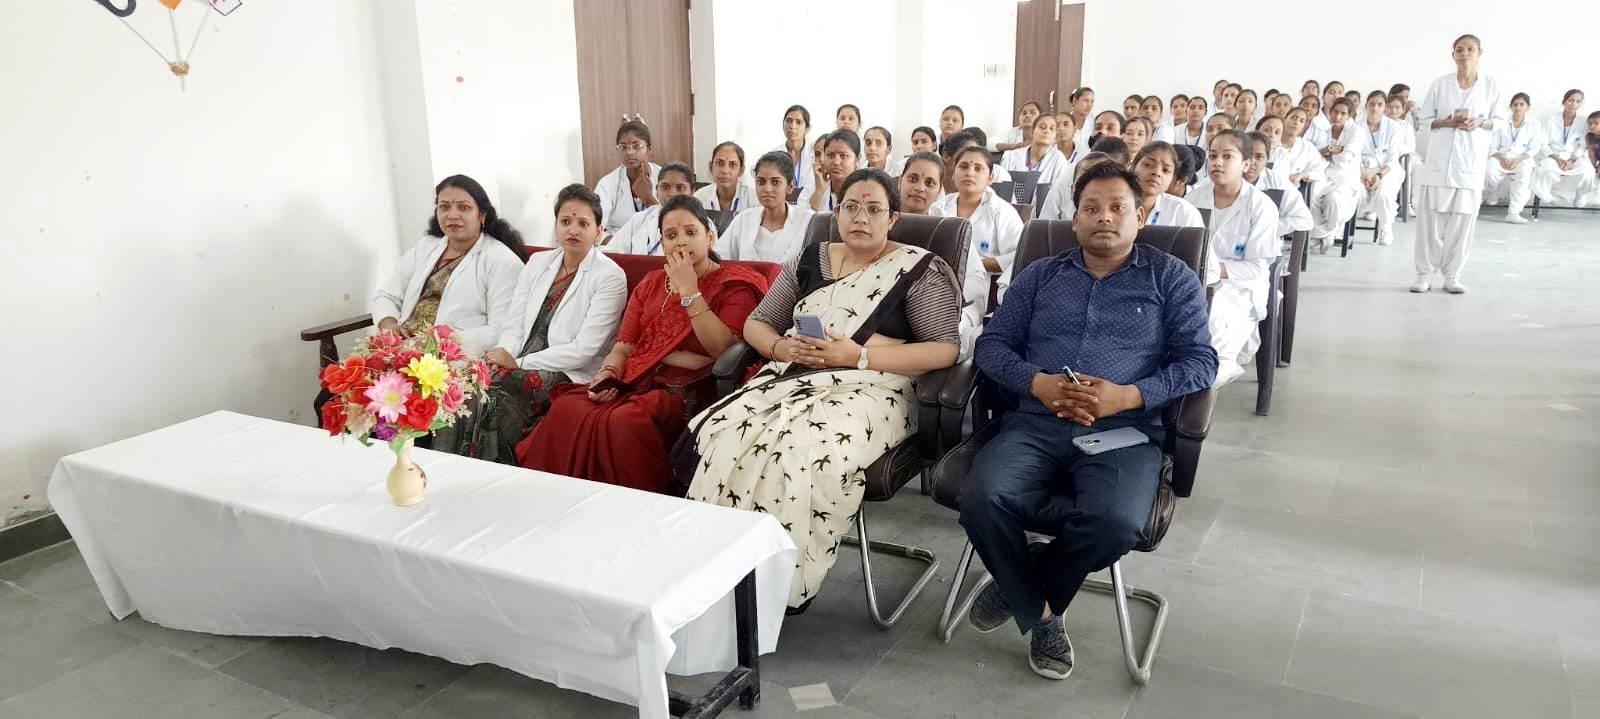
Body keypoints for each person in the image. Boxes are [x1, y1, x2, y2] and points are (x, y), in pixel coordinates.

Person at [961, 161, 1216, 681]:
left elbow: (1200, 362)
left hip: (1123, 430)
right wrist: (1038, 383)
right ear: (1074, 219)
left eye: (1118, 207)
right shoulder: (1041, 275)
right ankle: (1044, 615)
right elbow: (993, 346)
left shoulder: (1171, 277)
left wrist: (1128, 396)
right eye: (1091, 208)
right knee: (981, 497)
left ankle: (1024, 585)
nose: (1104, 217)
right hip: (1037, 422)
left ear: (1140, 216)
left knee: (1116, 523)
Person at [684, 169, 961, 611]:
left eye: (874, 209)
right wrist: (780, 346)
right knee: (724, 435)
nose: (861, 218)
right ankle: (723, 572)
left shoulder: (919, 268)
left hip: (877, 388)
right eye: (851, 207)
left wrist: (858, 356)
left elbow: (944, 350)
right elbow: (758, 323)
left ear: (892, 218)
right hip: (795, 375)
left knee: (800, 450)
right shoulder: (809, 259)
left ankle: (781, 586)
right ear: (836, 212)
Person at [517, 195, 770, 492]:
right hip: (636, 379)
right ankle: (563, 496)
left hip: (688, 390)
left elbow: (723, 350)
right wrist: (607, 374)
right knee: (568, 407)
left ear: (710, 237)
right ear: (662, 243)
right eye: (671, 236)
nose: (681, 242)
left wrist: (690, 291)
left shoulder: (734, 283)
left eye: (691, 232)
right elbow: (624, 346)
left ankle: (637, 504)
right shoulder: (651, 283)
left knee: (623, 421)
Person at [470, 184, 629, 464]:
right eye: (565, 221)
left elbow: (584, 350)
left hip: (568, 369)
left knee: (502, 389)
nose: (573, 230)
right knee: (471, 383)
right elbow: (514, 322)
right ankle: (461, 464)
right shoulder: (538, 262)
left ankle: (501, 470)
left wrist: (518, 363)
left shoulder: (610, 276)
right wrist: (502, 355)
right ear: (555, 226)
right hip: (520, 357)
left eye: (583, 223)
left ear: (599, 231)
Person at [372, 174, 525, 358]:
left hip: (452, 359)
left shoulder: (503, 262)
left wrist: (439, 342)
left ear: (482, 215)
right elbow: (388, 295)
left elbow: (500, 329)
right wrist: (388, 324)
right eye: (444, 207)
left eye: (464, 207)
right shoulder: (426, 247)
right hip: (399, 350)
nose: (452, 215)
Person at [1412, 33, 1505, 294]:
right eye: (1460, 50)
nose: (1465, 54)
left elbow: (1500, 121)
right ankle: (1424, 274)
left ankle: (1452, 275)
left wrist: (1480, 122)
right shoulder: (1441, 84)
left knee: (1462, 224)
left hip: (1469, 165)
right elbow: (1424, 120)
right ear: (1453, 55)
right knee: (1429, 223)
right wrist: (1447, 121)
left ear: (1479, 53)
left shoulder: (1490, 85)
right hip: (1439, 164)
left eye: (1470, 49)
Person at [1188, 130, 1282, 387]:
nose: (1217, 162)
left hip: (1239, 288)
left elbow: (1256, 268)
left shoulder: (1260, 206)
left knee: (1216, 317)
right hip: (1196, 281)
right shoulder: (1194, 198)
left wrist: (1213, 270)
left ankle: (1212, 374)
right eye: (1213, 155)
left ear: (1246, 164)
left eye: (1227, 156)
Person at [900, 153, 989, 358]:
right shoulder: (881, 220)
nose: (919, 188)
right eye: (913, 179)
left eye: (929, 183)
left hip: (942, 310)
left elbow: (978, 280)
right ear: (900, 181)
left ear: (939, 190)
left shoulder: (951, 227)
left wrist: (935, 298)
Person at [933, 146, 1026, 283]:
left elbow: (1019, 255)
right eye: (963, 167)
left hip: (983, 286)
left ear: (990, 178)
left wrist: (972, 265)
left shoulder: (1002, 212)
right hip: (936, 282)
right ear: (953, 174)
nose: (970, 173)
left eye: (978, 168)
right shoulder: (937, 208)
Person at [719, 151, 815, 263]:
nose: (767, 189)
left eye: (775, 182)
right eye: (761, 182)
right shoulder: (744, 219)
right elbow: (719, 257)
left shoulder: (807, 221)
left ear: (790, 187)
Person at [1309, 99, 1366, 254]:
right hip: (1323, 174)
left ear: (1349, 115)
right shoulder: (1323, 129)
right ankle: (1322, 233)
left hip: (1345, 177)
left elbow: (1345, 158)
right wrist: (1334, 149)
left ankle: (1327, 233)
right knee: (1311, 193)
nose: (1338, 116)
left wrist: (1329, 153)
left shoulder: (1356, 132)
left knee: (1333, 199)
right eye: (1335, 111)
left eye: (1343, 113)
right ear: (1330, 110)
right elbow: (1313, 154)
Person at [607, 163, 697, 255]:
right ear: (657, 190)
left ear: (692, 191)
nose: (672, 193)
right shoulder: (639, 219)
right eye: (665, 187)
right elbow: (612, 251)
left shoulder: (700, 223)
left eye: (680, 188)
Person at [1356, 92, 1407, 245]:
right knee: (1352, 191)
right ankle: (1341, 229)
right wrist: (1362, 173)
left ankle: (1385, 228)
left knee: (1384, 193)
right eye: (1372, 104)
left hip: (1386, 170)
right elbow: (1353, 153)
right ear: (1366, 105)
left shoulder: (1393, 127)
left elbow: (1392, 157)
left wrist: (1379, 175)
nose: (1375, 108)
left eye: (1380, 104)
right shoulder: (1356, 125)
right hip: (1361, 169)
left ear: (1385, 107)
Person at [594, 120, 662, 234]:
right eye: (623, 147)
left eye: (637, 146)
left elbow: (674, 221)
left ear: (649, 149)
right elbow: (595, 226)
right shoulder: (607, 184)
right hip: (618, 242)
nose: (629, 152)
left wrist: (648, 199)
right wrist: (617, 241)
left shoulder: (664, 177)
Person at [1243, 130, 1315, 237]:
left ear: (1267, 159)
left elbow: (1304, 220)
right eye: (1247, 155)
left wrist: (1264, 227)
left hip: (1265, 242)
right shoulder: (1224, 179)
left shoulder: (1277, 182)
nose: (1252, 162)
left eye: (1259, 157)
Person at [1532, 90, 1594, 206]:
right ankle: (1548, 196)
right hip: (1553, 155)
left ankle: (1580, 196)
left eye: (1578, 101)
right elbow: (1542, 143)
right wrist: (1556, 159)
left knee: (1588, 171)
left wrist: (1571, 161)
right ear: (1564, 101)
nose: (1574, 104)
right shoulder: (1551, 119)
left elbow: (1583, 144)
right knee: (1546, 169)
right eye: (1571, 100)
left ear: (1581, 104)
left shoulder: (1583, 121)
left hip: (1573, 157)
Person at [1485, 93, 1541, 222]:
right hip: (1501, 156)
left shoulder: (1534, 124)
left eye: (1522, 104)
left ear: (1528, 107)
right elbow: (1492, 147)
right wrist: (1502, 159)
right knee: (1489, 169)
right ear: (1510, 106)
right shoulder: (1501, 122)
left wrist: (1517, 160)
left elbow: (1534, 148)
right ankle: (1493, 191)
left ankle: (1513, 213)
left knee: (1524, 175)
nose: (1518, 107)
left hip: (1522, 158)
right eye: (1515, 104)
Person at [1131, 142, 1206, 231]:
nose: (1157, 173)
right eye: (1148, 165)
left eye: (1165, 170)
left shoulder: (1183, 212)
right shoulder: (1117, 202)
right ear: (1133, 167)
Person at [1038, 151, 1115, 221]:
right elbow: (1045, 225)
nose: (1090, 192)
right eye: (1082, 185)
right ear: (1072, 191)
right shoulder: (1061, 184)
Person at [1001, 112, 1070, 185]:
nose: (1047, 131)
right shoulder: (1010, 156)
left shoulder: (1058, 159)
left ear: (1055, 136)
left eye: (1051, 129)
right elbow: (1002, 187)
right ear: (1032, 131)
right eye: (1042, 127)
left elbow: (1060, 189)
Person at [801, 129, 861, 212]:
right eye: (830, 155)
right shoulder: (814, 186)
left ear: (857, 159)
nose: (836, 162)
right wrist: (819, 191)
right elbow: (801, 216)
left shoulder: (867, 187)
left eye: (843, 156)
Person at [694, 141, 755, 214]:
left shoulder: (753, 199)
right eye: (719, 163)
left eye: (733, 165)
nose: (725, 171)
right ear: (711, 167)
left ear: (741, 170)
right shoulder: (700, 197)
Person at [1281, 108, 1329, 196]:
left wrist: (1302, 175)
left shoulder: (1307, 146)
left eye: (1301, 121)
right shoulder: (1272, 142)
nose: (1297, 122)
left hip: (1292, 193)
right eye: (1293, 118)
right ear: (1285, 119)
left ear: (1303, 126)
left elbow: (1319, 171)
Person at [776, 105, 817, 201]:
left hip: (810, 205)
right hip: (782, 205)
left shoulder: (816, 153)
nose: (792, 126)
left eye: (798, 122)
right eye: (788, 121)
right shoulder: (774, 155)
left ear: (807, 128)